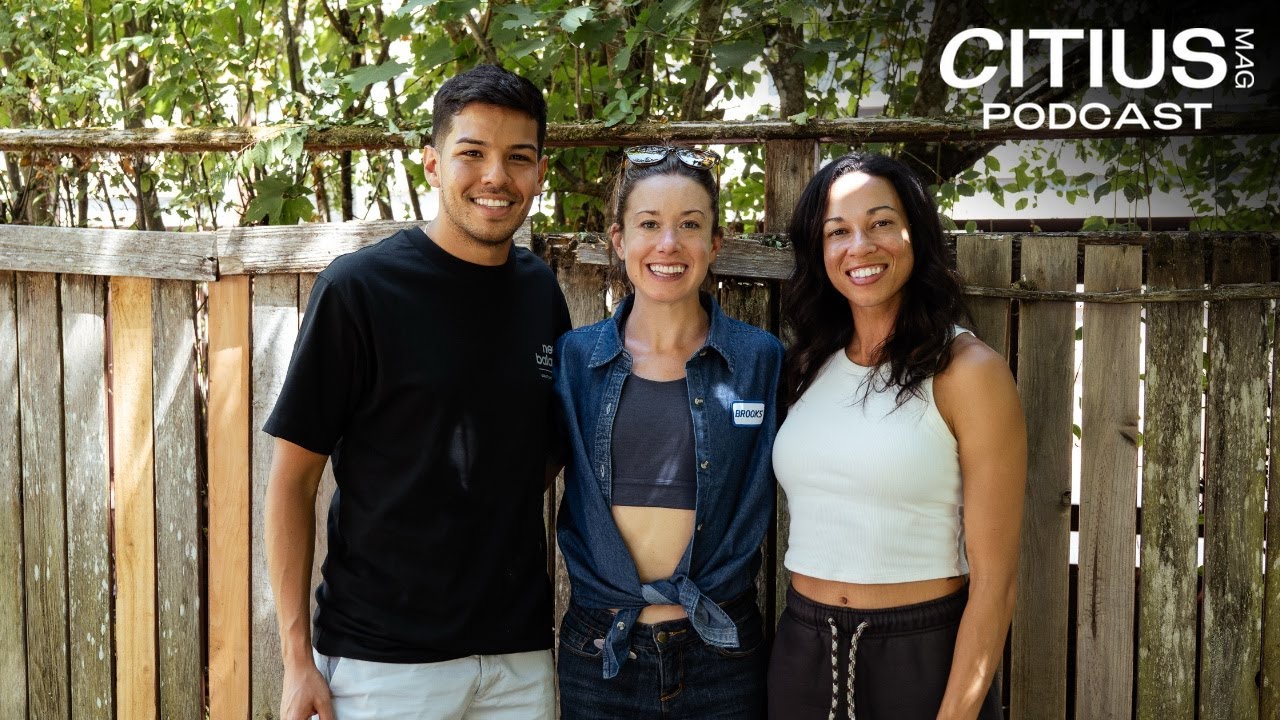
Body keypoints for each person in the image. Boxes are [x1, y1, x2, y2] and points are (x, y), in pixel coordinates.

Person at [263, 64, 570, 720]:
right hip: (383, 663)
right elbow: (291, 482)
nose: (496, 176)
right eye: (472, 153)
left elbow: (542, 453)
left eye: (518, 157)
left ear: (540, 172)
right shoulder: (360, 290)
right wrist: (296, 660)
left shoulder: (539, 291)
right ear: (432, 163)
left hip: (517, 660)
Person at [767, 152, 1026, 720]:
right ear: (819, 251)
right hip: (801, 654)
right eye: (837, 232)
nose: (860, 245)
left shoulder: (968, 372)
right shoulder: (809, 363)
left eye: (881, 222)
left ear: (917, 234)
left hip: (921, 659)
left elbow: (996, 585)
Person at [552, 145, 784, 719]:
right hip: (600, 648)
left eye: (690, 225)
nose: (668, 245)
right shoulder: (575, 360)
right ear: (618, 240)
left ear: (715, 244)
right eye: (649, 224)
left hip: (723, 649)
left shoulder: (759, 360)